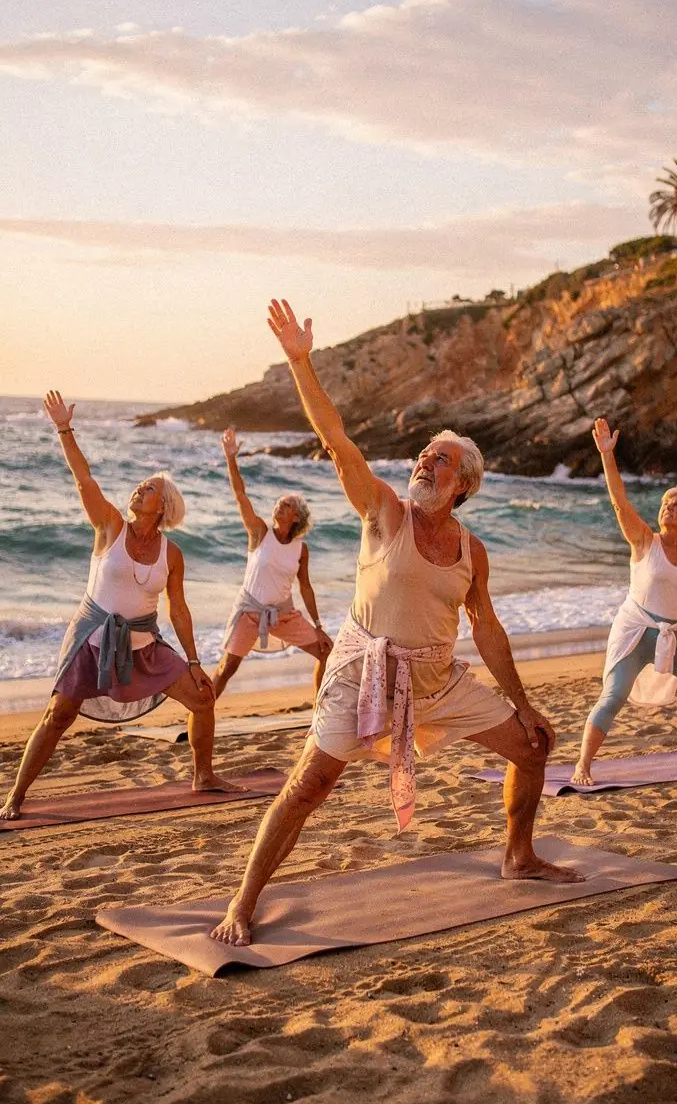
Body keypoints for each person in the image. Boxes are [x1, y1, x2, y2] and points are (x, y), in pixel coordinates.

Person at [211, 299, 583, 948]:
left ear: (463, 483)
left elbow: (487, 629)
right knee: (309, 786)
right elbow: (338, 440)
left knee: (533, 748)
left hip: (437, 680)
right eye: (421, 456)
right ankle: (243, 902)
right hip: (362, 675)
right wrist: (302, 361)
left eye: (438, 460)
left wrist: (523, 704)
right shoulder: (384, 513)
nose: (423, 464)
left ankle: (518, 855)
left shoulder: (472, 550)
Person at [0, 391, 236, 820]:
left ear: (161, 507)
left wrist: (196, 660)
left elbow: (178, 610)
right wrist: (63, 429)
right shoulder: (109, 526)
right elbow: (84, 480)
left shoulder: (172, 553)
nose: (138, 487)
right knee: (58, 715)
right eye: (141, 484)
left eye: (149, 487)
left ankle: (204, 775)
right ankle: (15, 796)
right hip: (91, 637)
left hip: (144, 640)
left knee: (203, 699)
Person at [571, 416, 677, 787]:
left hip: (674, 638)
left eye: (676, 505)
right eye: (666, 502)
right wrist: (606, 457)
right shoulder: (644, 541)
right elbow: (618, 501)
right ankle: (583, 764)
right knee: (614, 696)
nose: (668, 507)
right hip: (635, 633)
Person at [213, 428, 333, 703]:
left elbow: (306, 587)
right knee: (226, 668)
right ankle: (199, 715)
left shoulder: (300, 549)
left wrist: (317, 625)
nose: (280, 505)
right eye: (280, 502)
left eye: (287, 505)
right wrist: (231, 457)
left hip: (285, 614)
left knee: (328, 652)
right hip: (249, 612)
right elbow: (240, 494)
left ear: (296, 518)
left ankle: (318, 712)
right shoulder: (259, 532)